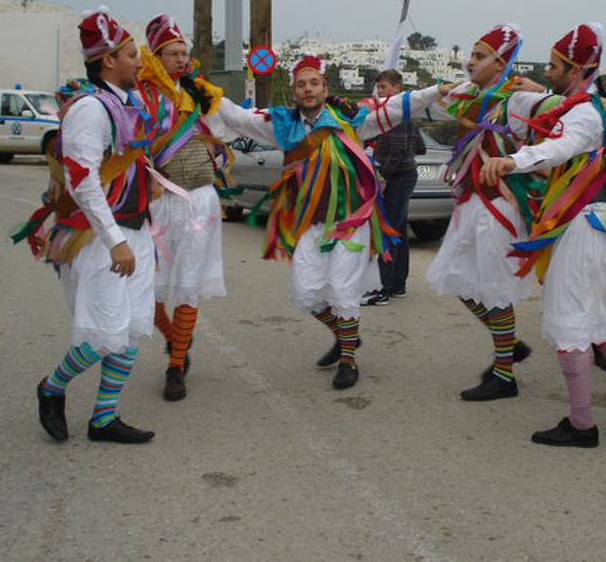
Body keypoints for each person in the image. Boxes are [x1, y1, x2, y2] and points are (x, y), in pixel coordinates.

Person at [212, 54, 455, 390]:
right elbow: (238, 117)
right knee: (306, 291)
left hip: (351, 221)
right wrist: (200, 91)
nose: (308, 89)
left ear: (325, 87)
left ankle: (348, 361)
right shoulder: (281, 125)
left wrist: (435, 90)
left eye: (314, 83)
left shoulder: (350, 119)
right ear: (294, 91)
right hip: (311, 222)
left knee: (342, 289)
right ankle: (347, 337)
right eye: (301, 84)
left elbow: (397, 106)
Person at [480, 23, 606, 448]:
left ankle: (582, 423)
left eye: (554, 65)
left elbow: (563, 146)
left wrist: (513, 162)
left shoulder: (583, 113)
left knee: (572, 325)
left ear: (577, 68)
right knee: (601, 327)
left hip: (586, 230)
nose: (548, 71)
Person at [34, 7, 157, 443]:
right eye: (131, 54)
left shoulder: (126, 104)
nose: (139, 63)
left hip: (134, 233)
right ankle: (51, 388)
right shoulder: (89, 108)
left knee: (130, 331)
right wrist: (114, 240)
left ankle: (103, 418)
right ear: (108, 60)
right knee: (104, 334)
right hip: (99, 239)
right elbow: (83, 182)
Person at [421, 24, 560, 402]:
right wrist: (436, 90)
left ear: (501, 62)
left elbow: (560, 112)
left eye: (480, 56)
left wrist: (544, 92)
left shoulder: (515, 99)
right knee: (456, 279)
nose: (470, 61)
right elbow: (431, 103)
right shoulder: (469, 95)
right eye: (472, 54)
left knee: (495, 289)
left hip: (500, 204)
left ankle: (504, 374)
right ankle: (509, 344)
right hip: (471, 202)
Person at [137, 14, 228, 401]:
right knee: (151, 288)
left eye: (183, 52)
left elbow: (238, 120)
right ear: (155, 56)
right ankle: (178, 341)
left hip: (200, 201)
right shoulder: (139, 95)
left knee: (188, 283)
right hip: (159, 201)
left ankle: (175, 366)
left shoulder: (199, 94)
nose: (179, 58)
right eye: (171, 53)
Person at [360, 70, 427, 306]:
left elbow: (398, 151)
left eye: (384, 87)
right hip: (408, 174)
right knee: (399, 231)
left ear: (397, 88)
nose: (379, 91)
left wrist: (384, 174)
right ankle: (398, 284)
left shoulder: (395, 114)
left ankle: (382, 289)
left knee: (387, 229)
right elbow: (421, 148)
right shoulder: (409, 113)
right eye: (378, 87)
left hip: (397, 177)